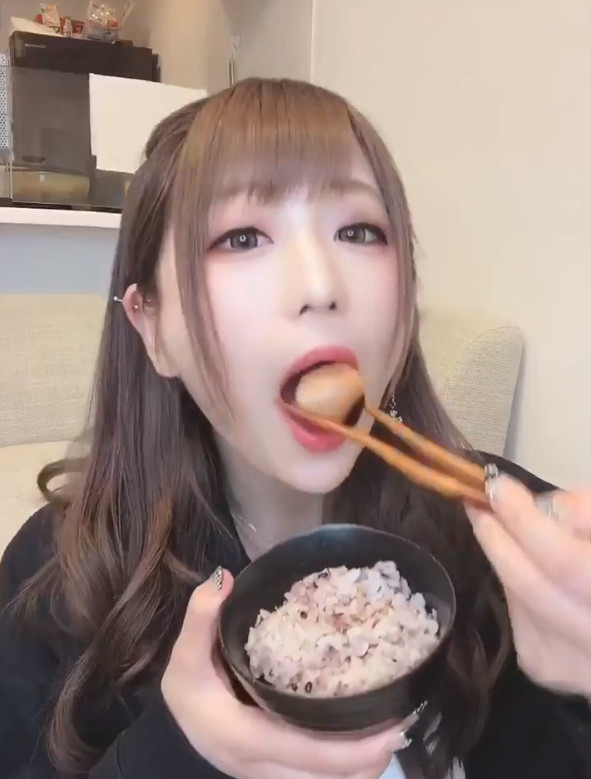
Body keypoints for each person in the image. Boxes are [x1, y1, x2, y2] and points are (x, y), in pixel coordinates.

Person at [0, 78, 589, 779]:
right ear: (151, 326)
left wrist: (576, 691)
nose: (320, 284)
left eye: (359, 231)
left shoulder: (509, 532)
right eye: (241, 237)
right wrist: (172, 753)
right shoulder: (54, 578)